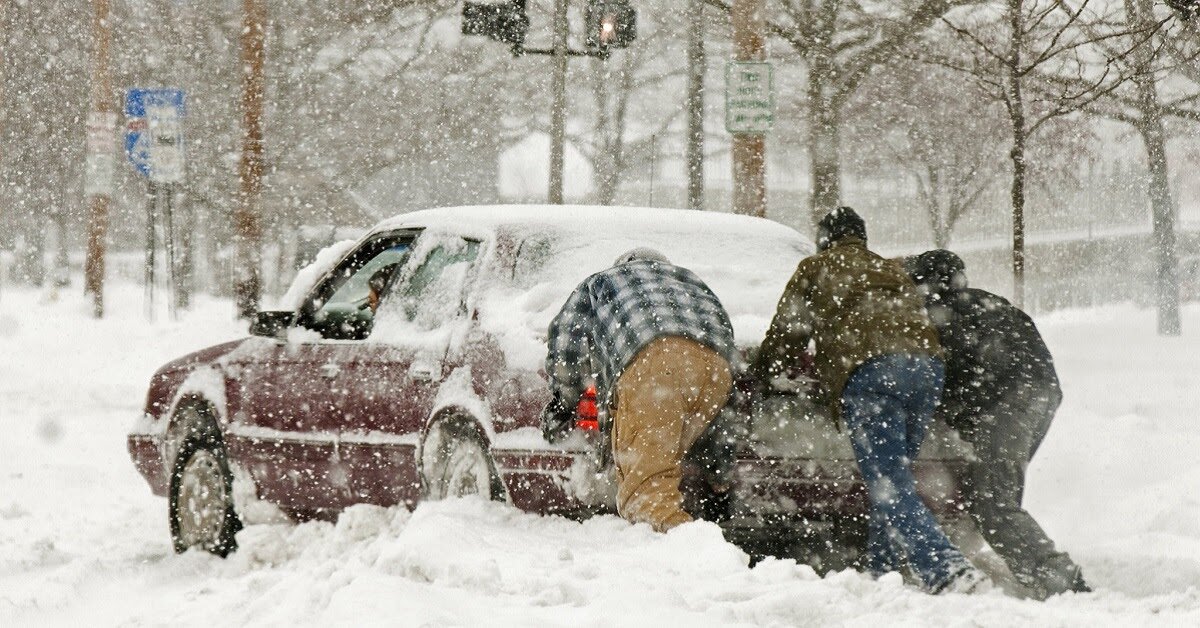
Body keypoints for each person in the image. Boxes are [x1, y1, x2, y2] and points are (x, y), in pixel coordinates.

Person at [752, 207, 986, 594]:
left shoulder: (816, 267)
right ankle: (883, 574)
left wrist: (766, 373)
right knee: (895, 482)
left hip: (873, 372)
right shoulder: (891, 269)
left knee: (888, 484)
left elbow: (788, 333)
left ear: (825, 238)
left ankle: (948, 570)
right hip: (927, 370)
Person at [905, 249, 1090, 598]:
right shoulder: (986, 303)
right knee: (995, 487)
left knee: (991, 500)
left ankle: (1060, 582)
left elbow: (949, 379)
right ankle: (1033, 568)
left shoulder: (944, 317)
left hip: (1009, 400)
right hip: (1043, 393)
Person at [541, 248, 737, 532]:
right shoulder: (691, 282)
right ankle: (687, 543)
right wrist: (720, 479)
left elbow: (566, 343)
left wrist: (564, 401)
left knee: (646, 496)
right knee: (661, 467)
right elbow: (723, 419)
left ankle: (692, 559)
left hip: (655, 365)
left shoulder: (602, 282)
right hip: (716, 369)